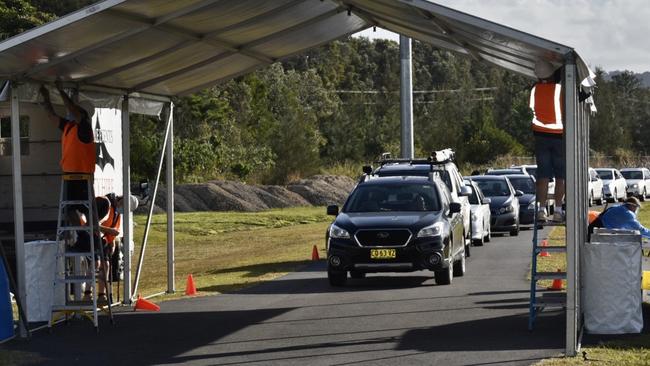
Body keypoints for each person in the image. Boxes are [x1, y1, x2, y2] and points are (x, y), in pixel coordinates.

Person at [39, 82, 96, 227]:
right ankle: (81, 234)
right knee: (69, 209)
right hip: (70, 175)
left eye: (76, 111)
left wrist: (60, 90)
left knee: (87, 209)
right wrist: (46, 98)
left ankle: (92, 235)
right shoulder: (68, 126)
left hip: (83, 176)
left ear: (82, 115)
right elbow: (51, 116)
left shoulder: (84, 127)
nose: (71, 112)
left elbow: (72, 109)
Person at [530, 60, 565, 222]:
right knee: (560, 176)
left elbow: (532, 109)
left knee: (543, 176)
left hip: (540, 135)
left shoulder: (534, 90)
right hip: (558, 135)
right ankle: (558, 210)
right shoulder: (559, 90)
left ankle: (542, 210)